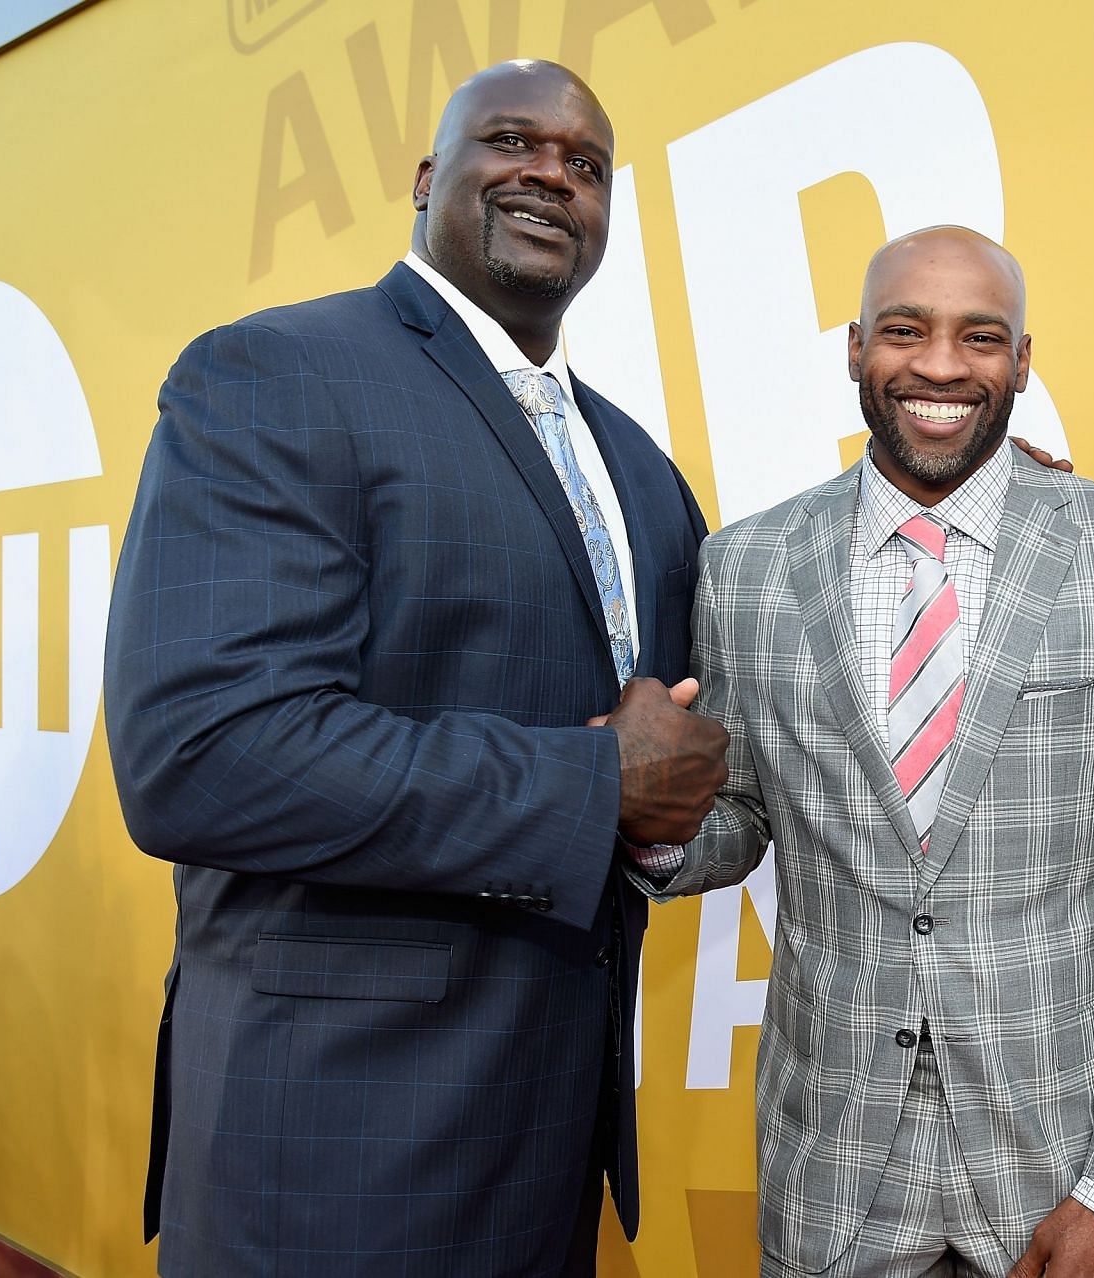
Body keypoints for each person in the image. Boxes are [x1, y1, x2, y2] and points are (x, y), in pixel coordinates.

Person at [104, 60, 726, 1277]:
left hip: (549, 1163)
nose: (553, 172)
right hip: (333, 1155)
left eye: (587, 165)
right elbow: (201, 754)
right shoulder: (276, 374)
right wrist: (592, 783)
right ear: (429, 178)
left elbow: (682, 760)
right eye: (512, 141)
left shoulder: (644, 475)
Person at [639, 227, 1094, 1278]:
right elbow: (736, 819)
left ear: (1020, 361)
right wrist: (640, 811)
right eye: (904, 330)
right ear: (853, 348)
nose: (939, 365)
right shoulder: (745, 566)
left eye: (980, 337)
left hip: (1063, 1165)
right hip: (832, 1166)